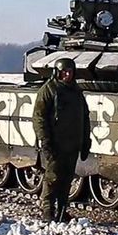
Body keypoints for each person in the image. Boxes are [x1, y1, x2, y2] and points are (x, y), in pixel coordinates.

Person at [32, 57, 91, 224]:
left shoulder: (76, 92)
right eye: (64, 72)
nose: (67, 75)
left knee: (66, 179)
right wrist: (45, 139)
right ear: (57, 72)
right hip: (55, 143)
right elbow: (39, 117)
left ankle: (63, 210)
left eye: (70, 72)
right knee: (53, 178)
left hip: (72, 143)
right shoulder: (49, 90)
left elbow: (84, 117)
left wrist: (86, 140)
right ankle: (47, 210)